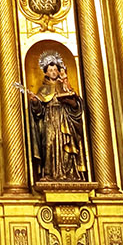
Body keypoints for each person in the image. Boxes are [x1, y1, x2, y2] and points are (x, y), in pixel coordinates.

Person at [29, 53, 87, 181]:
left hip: (64, 117)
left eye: (55, 69)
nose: (53, 72)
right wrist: (35, 102)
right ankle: (49, 173)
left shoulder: (64, 85)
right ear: (46, 72)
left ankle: (69, 173)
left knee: (65, 144)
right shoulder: (43, 89)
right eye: (50, 70)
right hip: (49, 119)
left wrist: (71, 101)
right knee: (49, 144)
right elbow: (38, 111)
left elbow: (76, 104)